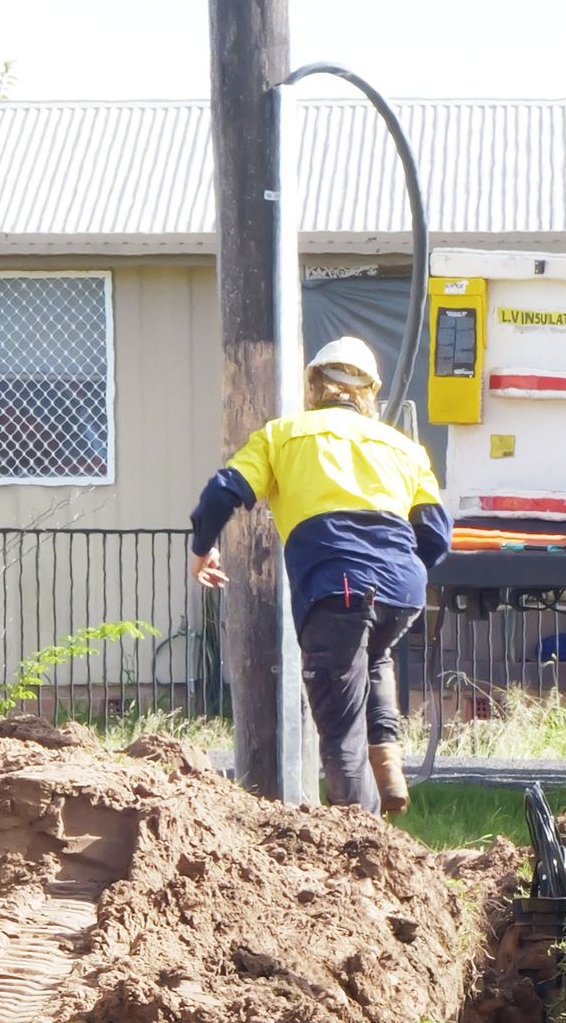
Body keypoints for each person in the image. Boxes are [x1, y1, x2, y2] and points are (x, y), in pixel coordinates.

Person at [190, 338, 450, 818]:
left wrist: (203, 548)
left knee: (339, 725)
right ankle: (387, 762)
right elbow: (436, 532)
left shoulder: (283, 435)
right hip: (401, 587)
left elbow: (222, 491)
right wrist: (403, 572)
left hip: (336, 589)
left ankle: (359, 840)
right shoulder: (402, 447)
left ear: (313, 386)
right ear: (370, 392)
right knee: (373, 657)